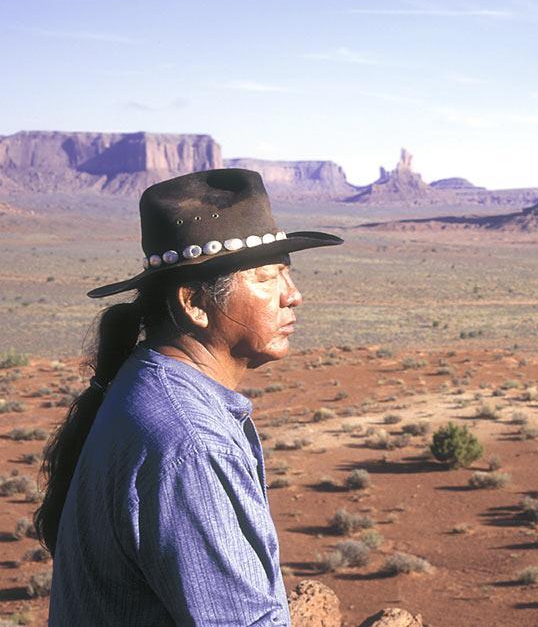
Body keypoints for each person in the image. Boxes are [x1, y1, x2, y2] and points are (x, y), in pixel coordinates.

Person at [35, 168, 342, 625]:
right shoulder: (189, 443)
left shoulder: (148, 386)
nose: (292, 296)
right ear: (193, 303)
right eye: (266, 278)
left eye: (286, 275)